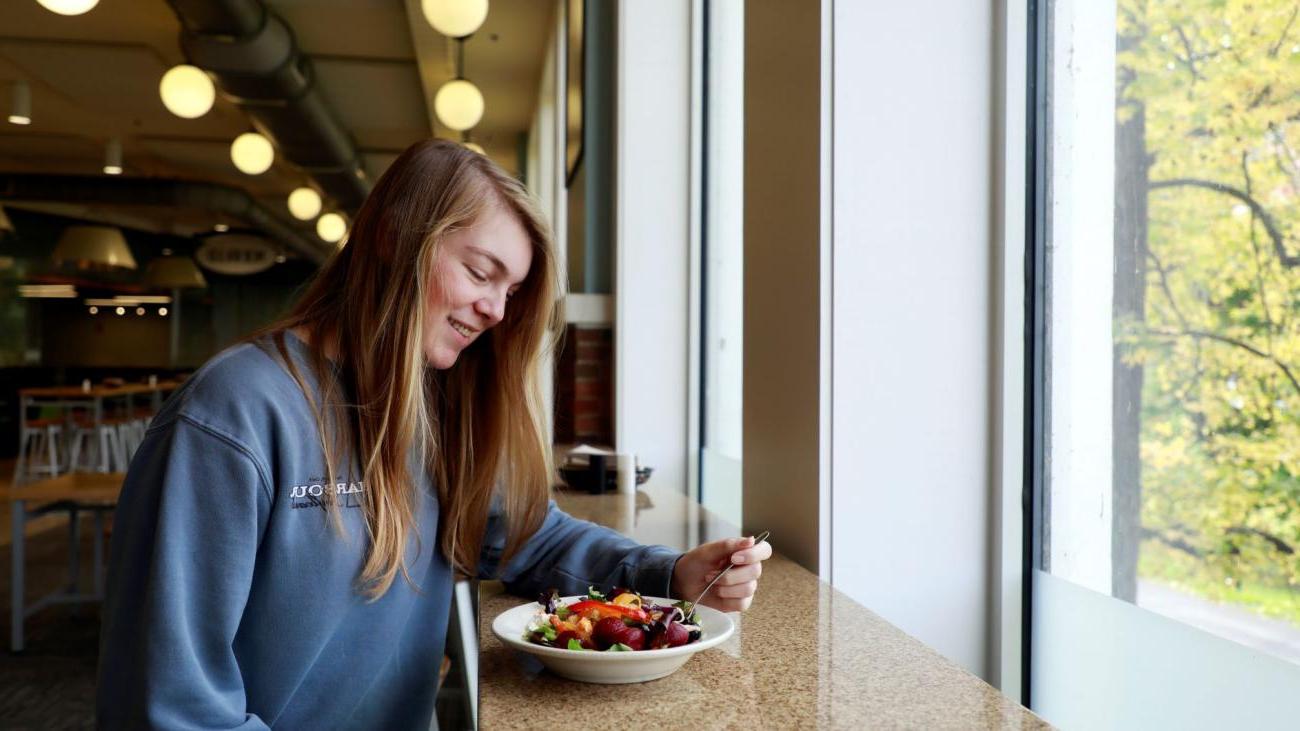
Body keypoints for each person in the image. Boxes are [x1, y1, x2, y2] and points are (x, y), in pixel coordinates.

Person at [95, 139, 772, 729]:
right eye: (481, 272)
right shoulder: (234, 413)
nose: (496, 310)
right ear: (394, 235)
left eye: (510, 291)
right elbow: (173, 705)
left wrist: (670, 572)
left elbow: (531, 535)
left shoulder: (439, 408)